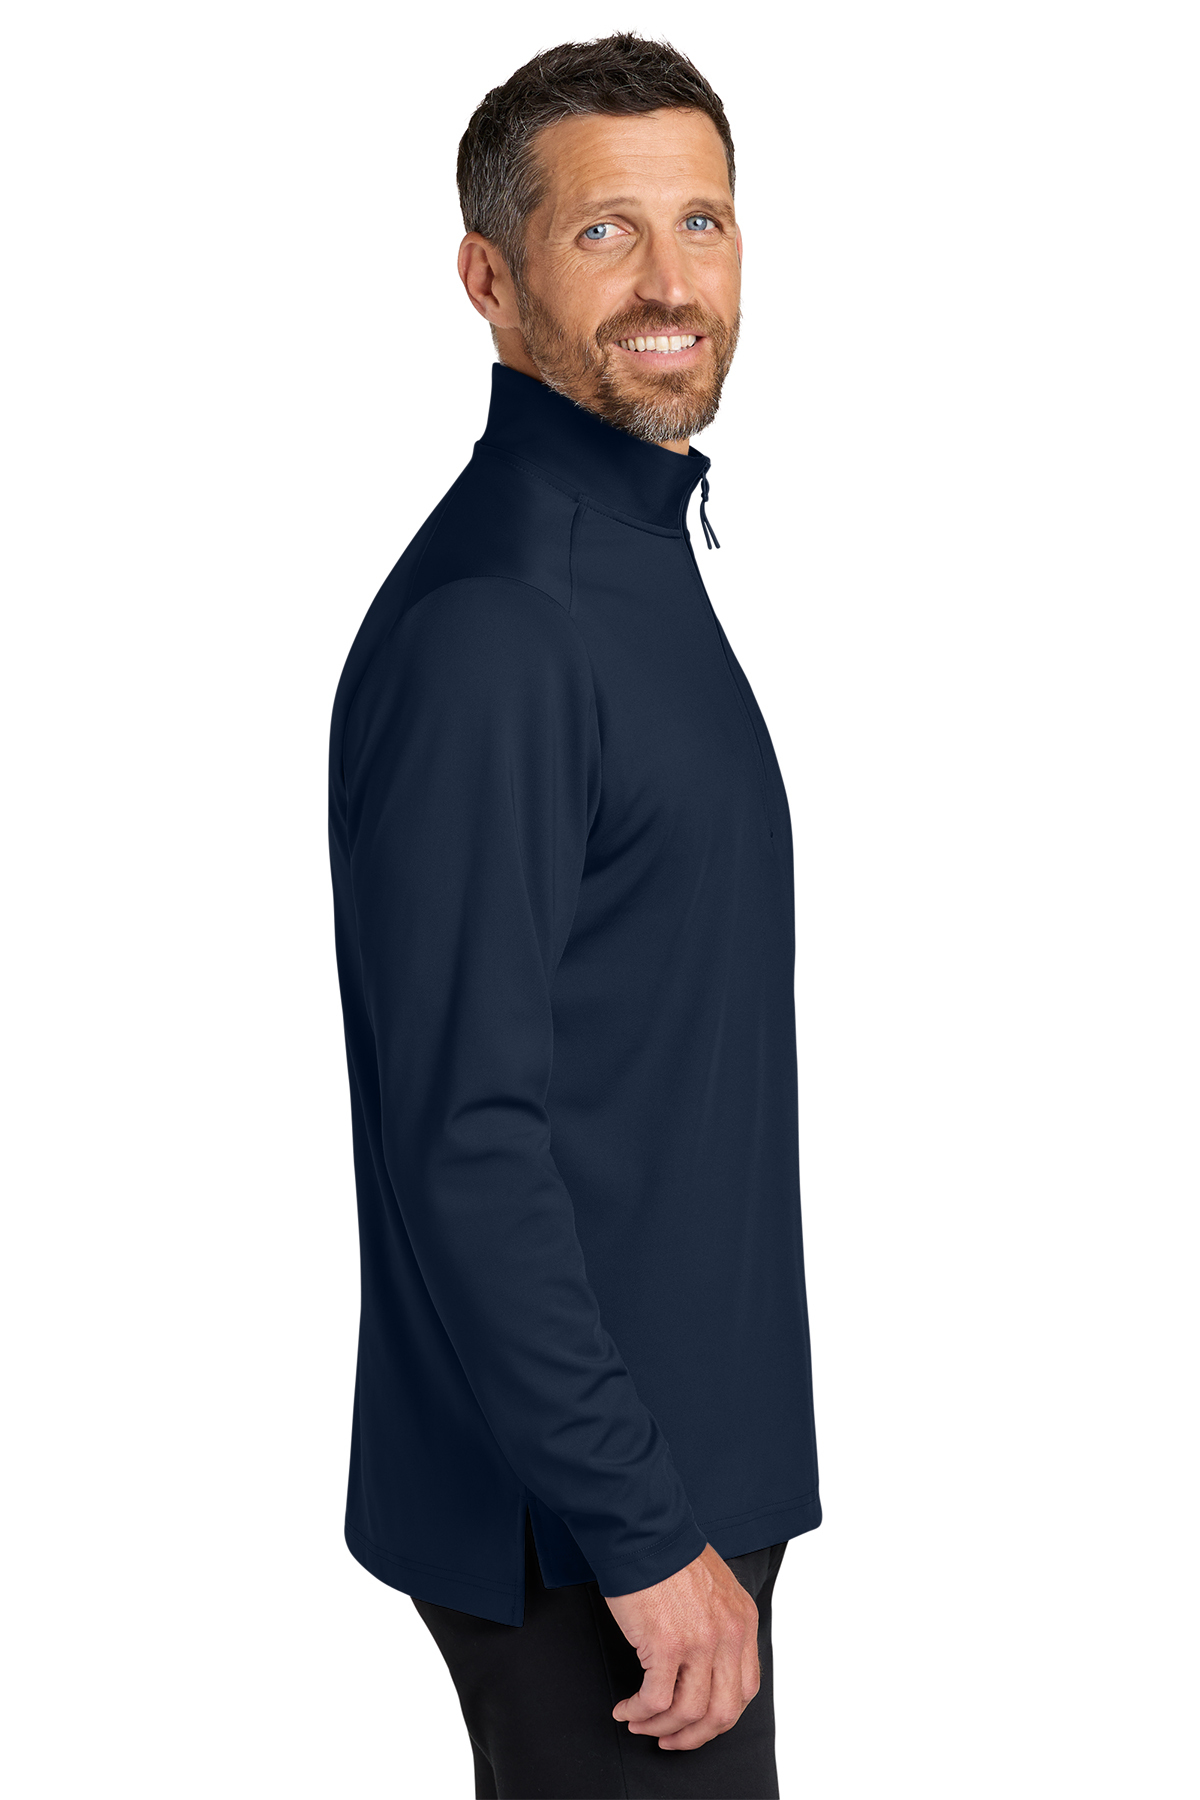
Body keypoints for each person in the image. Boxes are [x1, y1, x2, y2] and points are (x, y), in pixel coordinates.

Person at [327, 33, 821, 1799]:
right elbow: (466, 1135)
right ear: (490, 278)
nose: (672, 282)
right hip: (593, 1529)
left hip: (670, 1483)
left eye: (703, 221)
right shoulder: (505, 622)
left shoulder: (628, 555)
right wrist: (641, 1526)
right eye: (606, 232)